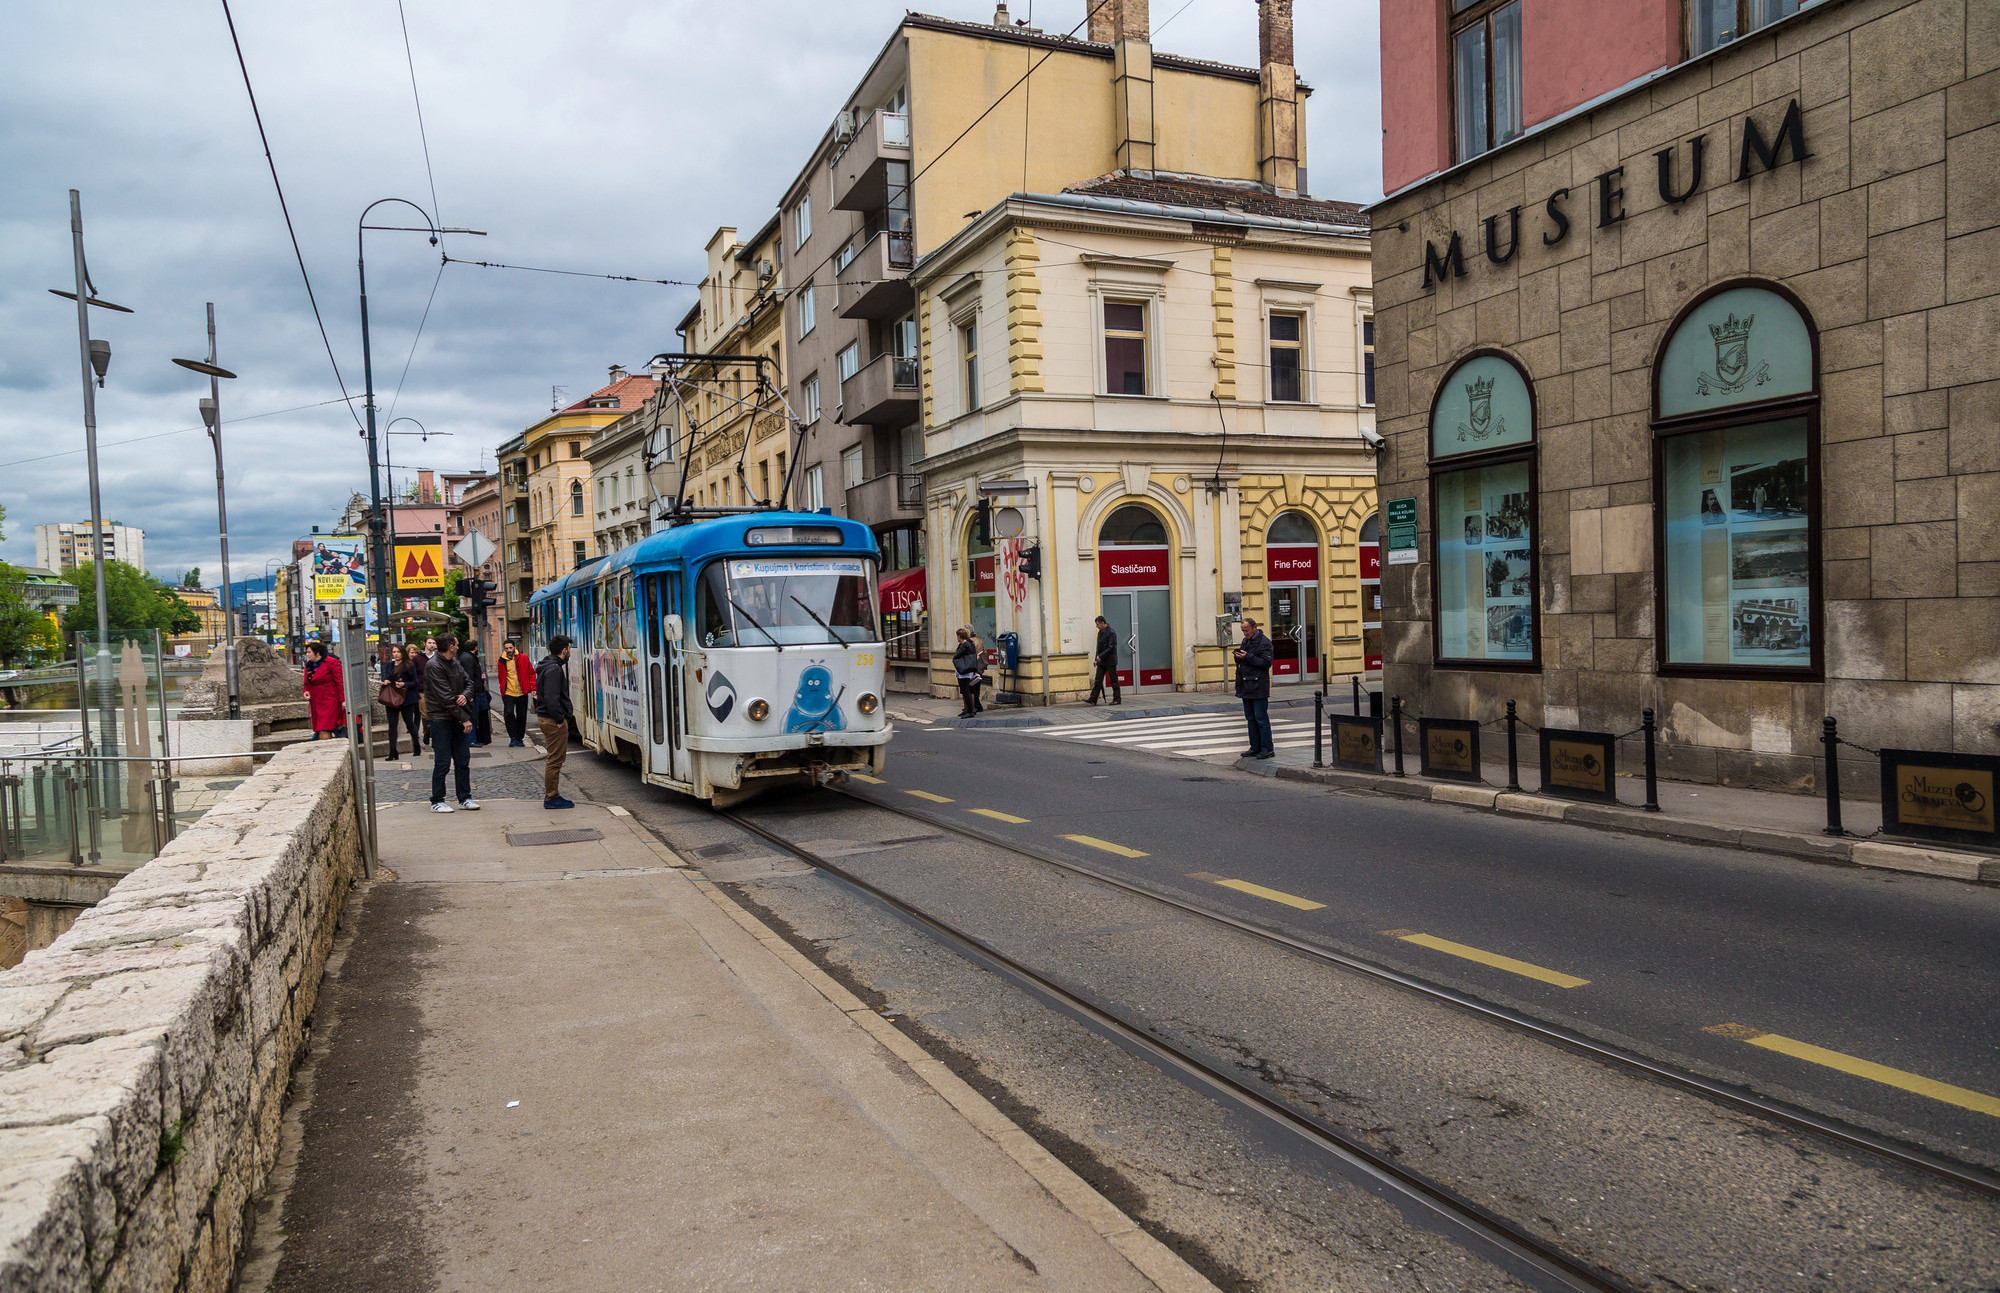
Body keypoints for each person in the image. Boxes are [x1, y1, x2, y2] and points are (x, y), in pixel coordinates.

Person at [422, 632, 479, 813]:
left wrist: (465, 695)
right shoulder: (433, 666)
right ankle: (437, 800)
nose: (458, 646)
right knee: (443, 762)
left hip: (456, 717)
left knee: (463, 760)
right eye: (456, 644)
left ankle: (465, 797)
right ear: (451, 646)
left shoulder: (455, 662)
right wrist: (464, 719)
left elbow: (469, 682)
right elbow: (445, 698)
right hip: (440, 719)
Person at [536, 635, 575, 810]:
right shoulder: (554, 669)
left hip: (549, 718)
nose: (569, 652)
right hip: (552, 721)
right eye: (568, 649)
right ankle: (551, 797)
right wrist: (560, 719)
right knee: (555, 760)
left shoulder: (550, 666)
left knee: (555, 758)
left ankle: (553, 795)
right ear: (564, 650)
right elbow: (552, 698)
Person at [1233, 616, 1275, 759]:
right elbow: (1245, 660)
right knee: (1250, 718)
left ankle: (1267, 748)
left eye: (1247, 630)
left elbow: (1265, 663)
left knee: (1261, 718)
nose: (1245, 633)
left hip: (1259, 685)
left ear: (1254, 627)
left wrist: (1247, 657)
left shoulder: (1264, 643)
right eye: (1243, 631)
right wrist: (1238, 656)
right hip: (1246, 685)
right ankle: (1255, 747)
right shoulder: (1246, 641)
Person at [382, 643, 423, 759]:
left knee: (409, 723)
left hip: (407, 698)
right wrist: (386, 681)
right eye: (394, 652)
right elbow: (387, 677)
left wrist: (404, 684)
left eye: (398, 652)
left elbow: (415, 682)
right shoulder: (390, 665)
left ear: (402, 653)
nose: (395, 654)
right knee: (392, 726)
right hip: (392, 698)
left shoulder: (408, 665)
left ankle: (416, 746)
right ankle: (392, 751)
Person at [301, 641, 346, 740]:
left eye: (309, 652)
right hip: (316, 701)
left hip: (329, 700)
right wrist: (305, 691)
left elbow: (340, 682)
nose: (307, 654)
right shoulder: (309, 665)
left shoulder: (331, 662)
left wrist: (343, 700)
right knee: (320, 728)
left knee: (324, 728)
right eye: (307, 652)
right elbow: (306, 682)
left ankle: (328, 751)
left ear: (317, 653)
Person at [498, 639, 536, 747]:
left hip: (521, 692)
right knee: (509, 713)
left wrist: (533, 687)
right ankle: (512, 737)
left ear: (514, 647)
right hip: (508, 692)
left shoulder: (523, 658)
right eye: (507, 648)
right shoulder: (502, 660)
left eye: (510, 647)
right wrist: (502, 690)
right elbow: (501, 677)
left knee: (521, 716)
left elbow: (531, 673)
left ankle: (520, 738)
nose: (509, 650)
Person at [461, 638, 493, 746]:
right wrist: (470, 694)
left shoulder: (466, 657)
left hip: (476, 692)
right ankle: (471, 740)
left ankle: (475, 738)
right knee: (473, 717)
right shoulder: (469, 659)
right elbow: (469, 677)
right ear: (475, 648)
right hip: (474, 693)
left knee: (477, 715)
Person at [1087, 615, 1122, 706]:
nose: (1097, 626)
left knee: (1113, 680)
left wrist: (1100, 656)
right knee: (1098, 680)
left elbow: (1110, 647)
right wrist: (1096, 658)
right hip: (1101, 661)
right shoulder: (1100, 632)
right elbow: (1099, 647)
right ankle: (1093, 698)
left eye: (1098, 624)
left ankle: (1117, 699)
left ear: (1103, 623)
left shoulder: (1111, 632)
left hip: (1110, 660)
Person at [952, 626, 985, 718]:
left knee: (966, 691)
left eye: (957, 636)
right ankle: (968, 709)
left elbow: (956, 656)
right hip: (967, 670)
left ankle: (970, 710)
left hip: (964, 670)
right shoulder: (970, 643)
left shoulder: (965, 645)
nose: (957, 638)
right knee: (967, 691)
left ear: (959, 636)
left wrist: (955, 657)